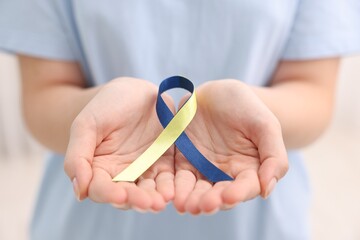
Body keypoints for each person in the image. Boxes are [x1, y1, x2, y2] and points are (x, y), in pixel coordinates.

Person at [0, 0, 359, 239]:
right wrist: (95, 112)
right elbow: (42, 96)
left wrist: (255, 114)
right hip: (90, 221)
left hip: (257, 224)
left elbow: (313, 92)